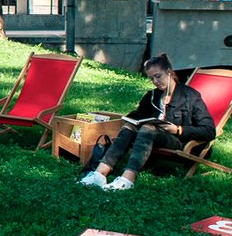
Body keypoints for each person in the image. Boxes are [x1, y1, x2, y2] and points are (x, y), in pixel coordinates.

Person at [80, 53, 215, 191]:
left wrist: (178, 129)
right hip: (155, 136)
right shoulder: (153, 96)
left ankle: (128, 178)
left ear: (169, 73)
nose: (155, 81)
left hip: (180, 140)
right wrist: (129, 120)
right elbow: (137, 115)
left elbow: (209, 130)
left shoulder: (190, 96)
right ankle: (100, 174)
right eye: (152, 78)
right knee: (129, 126)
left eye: (158, 76)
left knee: (148, 128)